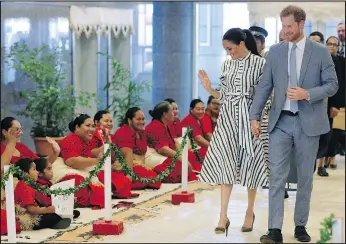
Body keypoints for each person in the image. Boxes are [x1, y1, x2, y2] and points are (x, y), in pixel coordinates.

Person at [249, 5, 338, 243]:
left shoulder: (320, 52)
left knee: (305, 180)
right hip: (280, 123)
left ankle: (300, 226)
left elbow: (332, 85)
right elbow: (265, 86)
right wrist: (254, 116)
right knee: (276, 177)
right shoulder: (275, 52)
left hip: (308, 123)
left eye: (289, 26)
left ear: (301, 24)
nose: (285, 31)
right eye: (283, 26)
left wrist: (307, 93)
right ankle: (274, 230)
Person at [198, 28, 269, 235]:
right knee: (226, 165)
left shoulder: (260, 64)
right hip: (228, 118)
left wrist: (258, 119)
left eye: (230, 48)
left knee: (251, 165)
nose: (228, 53)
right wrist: (209, 88)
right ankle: (223, 216)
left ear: (241, 43)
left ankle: (249, 211)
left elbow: (266, 95)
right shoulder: (227, 64)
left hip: (251, 119)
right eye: (226, 50)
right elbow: (224, 95)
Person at [145, 101, 199, 183]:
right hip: (157, 156)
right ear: (165, 114)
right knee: (180, 165)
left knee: (191, 155)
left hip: (167, 155)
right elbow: (162, 149)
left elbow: (174, 142)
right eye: (171, 110)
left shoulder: (166, 125)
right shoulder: (155, 126)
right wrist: (182, 159)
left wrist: (182, 155)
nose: (174, 112)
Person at [14, 158, 72, 230]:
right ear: (25, 174)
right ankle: (55, 223)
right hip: (28, 218)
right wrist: (46, 210)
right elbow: (31, 209)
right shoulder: (25, 186)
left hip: (35, 212)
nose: (37, 172)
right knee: (54, 216)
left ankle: (57, 220)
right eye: (34, 169)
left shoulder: (29, 184)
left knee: (56, 214)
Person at [112, 108, 162, 190]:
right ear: (129, 120)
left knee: (156, 177)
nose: (142, 122)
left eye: (143, 119)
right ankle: (121, 182)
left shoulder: (141, 132)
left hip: (140, 166)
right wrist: (129, 175)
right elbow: (127, 154)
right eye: (138, 119)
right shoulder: (124, 131)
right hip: (125, 167)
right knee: (152, 178)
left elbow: (156, 142)